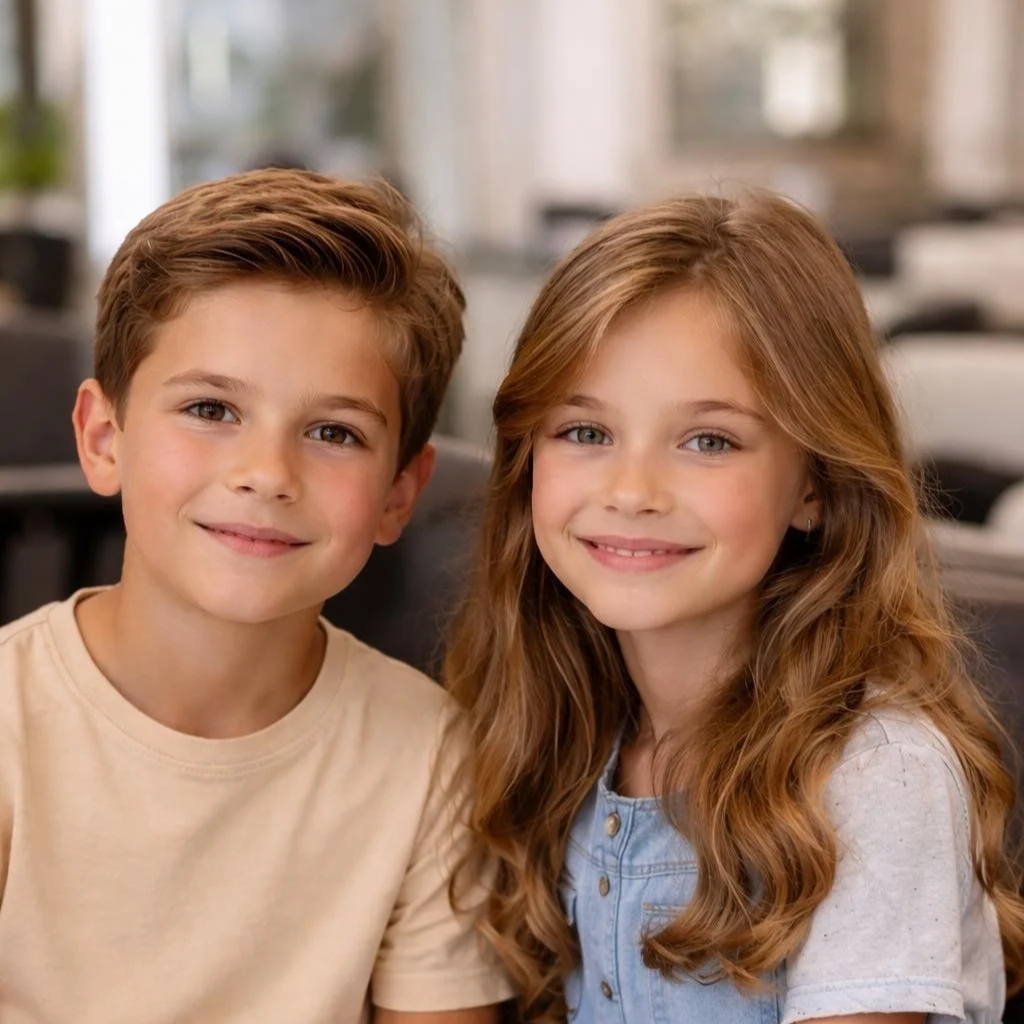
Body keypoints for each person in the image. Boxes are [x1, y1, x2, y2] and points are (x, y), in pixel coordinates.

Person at [444, 190, 1024, 1023]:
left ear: (816, 485)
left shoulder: (876, 775)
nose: (632, 491)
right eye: (585, 431)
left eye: (707, 441)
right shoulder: (560, 729)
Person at [0, 168, 511, 1023]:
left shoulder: (432, 763)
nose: (267, 474)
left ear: (398, 493)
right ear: (102, 438)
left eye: (333, 432)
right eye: (210, 408)